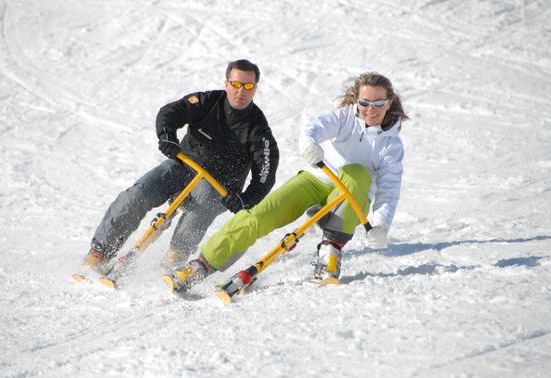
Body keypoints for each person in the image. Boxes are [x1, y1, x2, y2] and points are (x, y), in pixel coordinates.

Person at [166, 71, 409, 291]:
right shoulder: (344, 118)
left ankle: (330, 251)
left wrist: (380, 225)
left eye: (378, 103)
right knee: (259, 215)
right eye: (364, 102)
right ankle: (203, 264)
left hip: (353, 196)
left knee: (358, 173)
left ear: (388, 103)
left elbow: (389, 190)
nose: (370, 109)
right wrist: (310, 144)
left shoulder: (391, 145)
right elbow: (314, 128)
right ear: (357, 101)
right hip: (317, 180)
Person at [82, 59, 280, 274]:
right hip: (183, 167)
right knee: (137, 194)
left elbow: (265, 172)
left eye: (248, 86)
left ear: (255, 89)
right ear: (226, 83)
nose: (240, 91)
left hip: (217, 185)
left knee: (202, 204)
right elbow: (171, 112)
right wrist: (167, 137)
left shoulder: (258, 128)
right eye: (235, 84)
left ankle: (174, 257)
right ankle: (100, 252)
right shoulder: (207, 101)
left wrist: (245, 199)